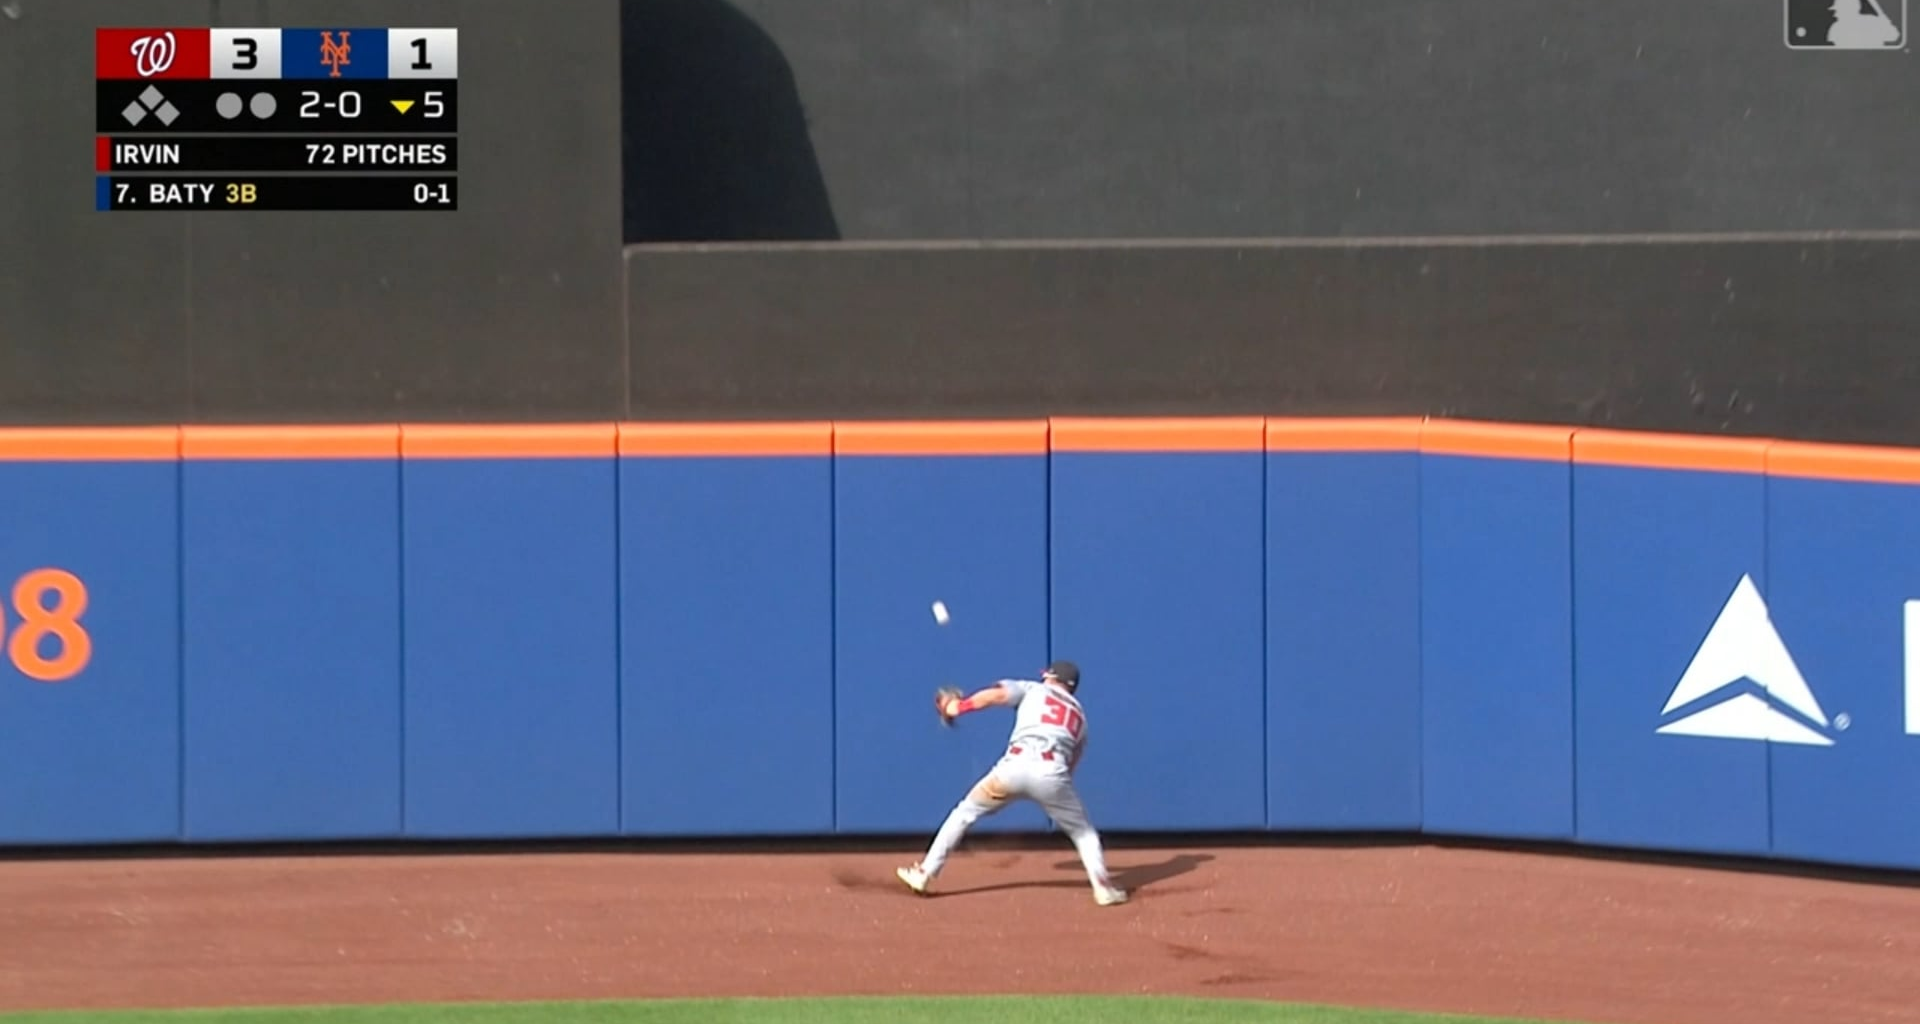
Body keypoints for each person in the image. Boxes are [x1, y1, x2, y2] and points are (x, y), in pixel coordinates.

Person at [895, 660, 1129, 906]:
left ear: (1051, 676)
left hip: (1013, 768)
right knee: (1085, 834)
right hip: (1053, 773)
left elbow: (996, 695)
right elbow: (1075, 758)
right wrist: (1056, 791)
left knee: (964, 813)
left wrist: (958, 707)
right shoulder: (1080, 716)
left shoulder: (1033, 689)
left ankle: (924, 873)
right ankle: (1103, 888)